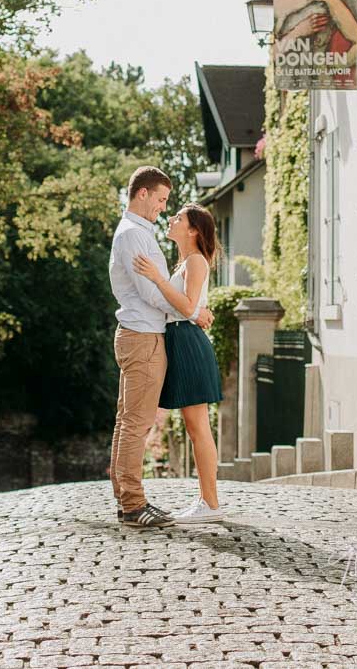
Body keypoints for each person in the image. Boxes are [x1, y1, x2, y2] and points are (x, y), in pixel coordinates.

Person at [109, 166, 214, 529]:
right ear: (142, 194)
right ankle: (134, 505)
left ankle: (127, 501)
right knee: (135, 424)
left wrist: (193, 308)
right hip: (143, 338)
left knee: (128, 422)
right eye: (161, 199)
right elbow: (151, 293)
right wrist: (194, 310)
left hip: (139, 335)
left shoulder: (136, 233)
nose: (162, 207)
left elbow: (162, 290)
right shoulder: (135, 236)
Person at [133, 203, 225, 524]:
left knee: (199, 427)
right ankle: (206, 501)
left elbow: (186, 305)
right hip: (180, 339)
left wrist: (158, 278)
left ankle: (210, 504)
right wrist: (197, 310)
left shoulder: (196, 261)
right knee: (195, 427)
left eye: (179, 217)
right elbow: (190, 306)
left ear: (193, 230)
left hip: (187, 342)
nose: (171, 219)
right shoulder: (186, 262)